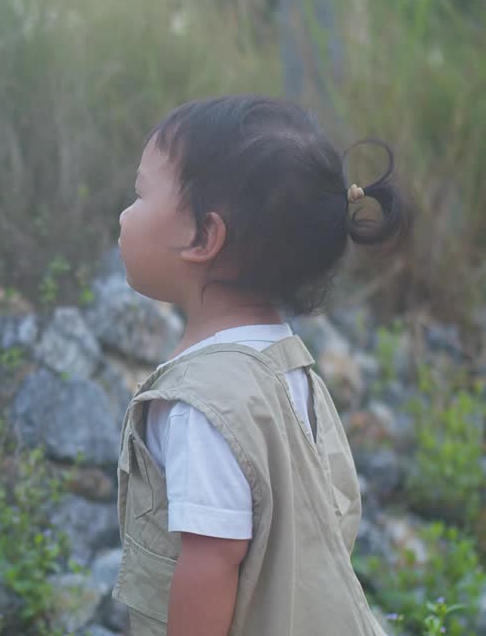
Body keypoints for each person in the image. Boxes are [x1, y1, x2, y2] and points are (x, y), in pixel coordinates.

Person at [112, 95, 408, 635]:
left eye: (140, 195)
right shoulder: (287, 367)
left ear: (203, 237)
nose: (126, 214)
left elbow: (211, 562)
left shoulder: (205, 404)